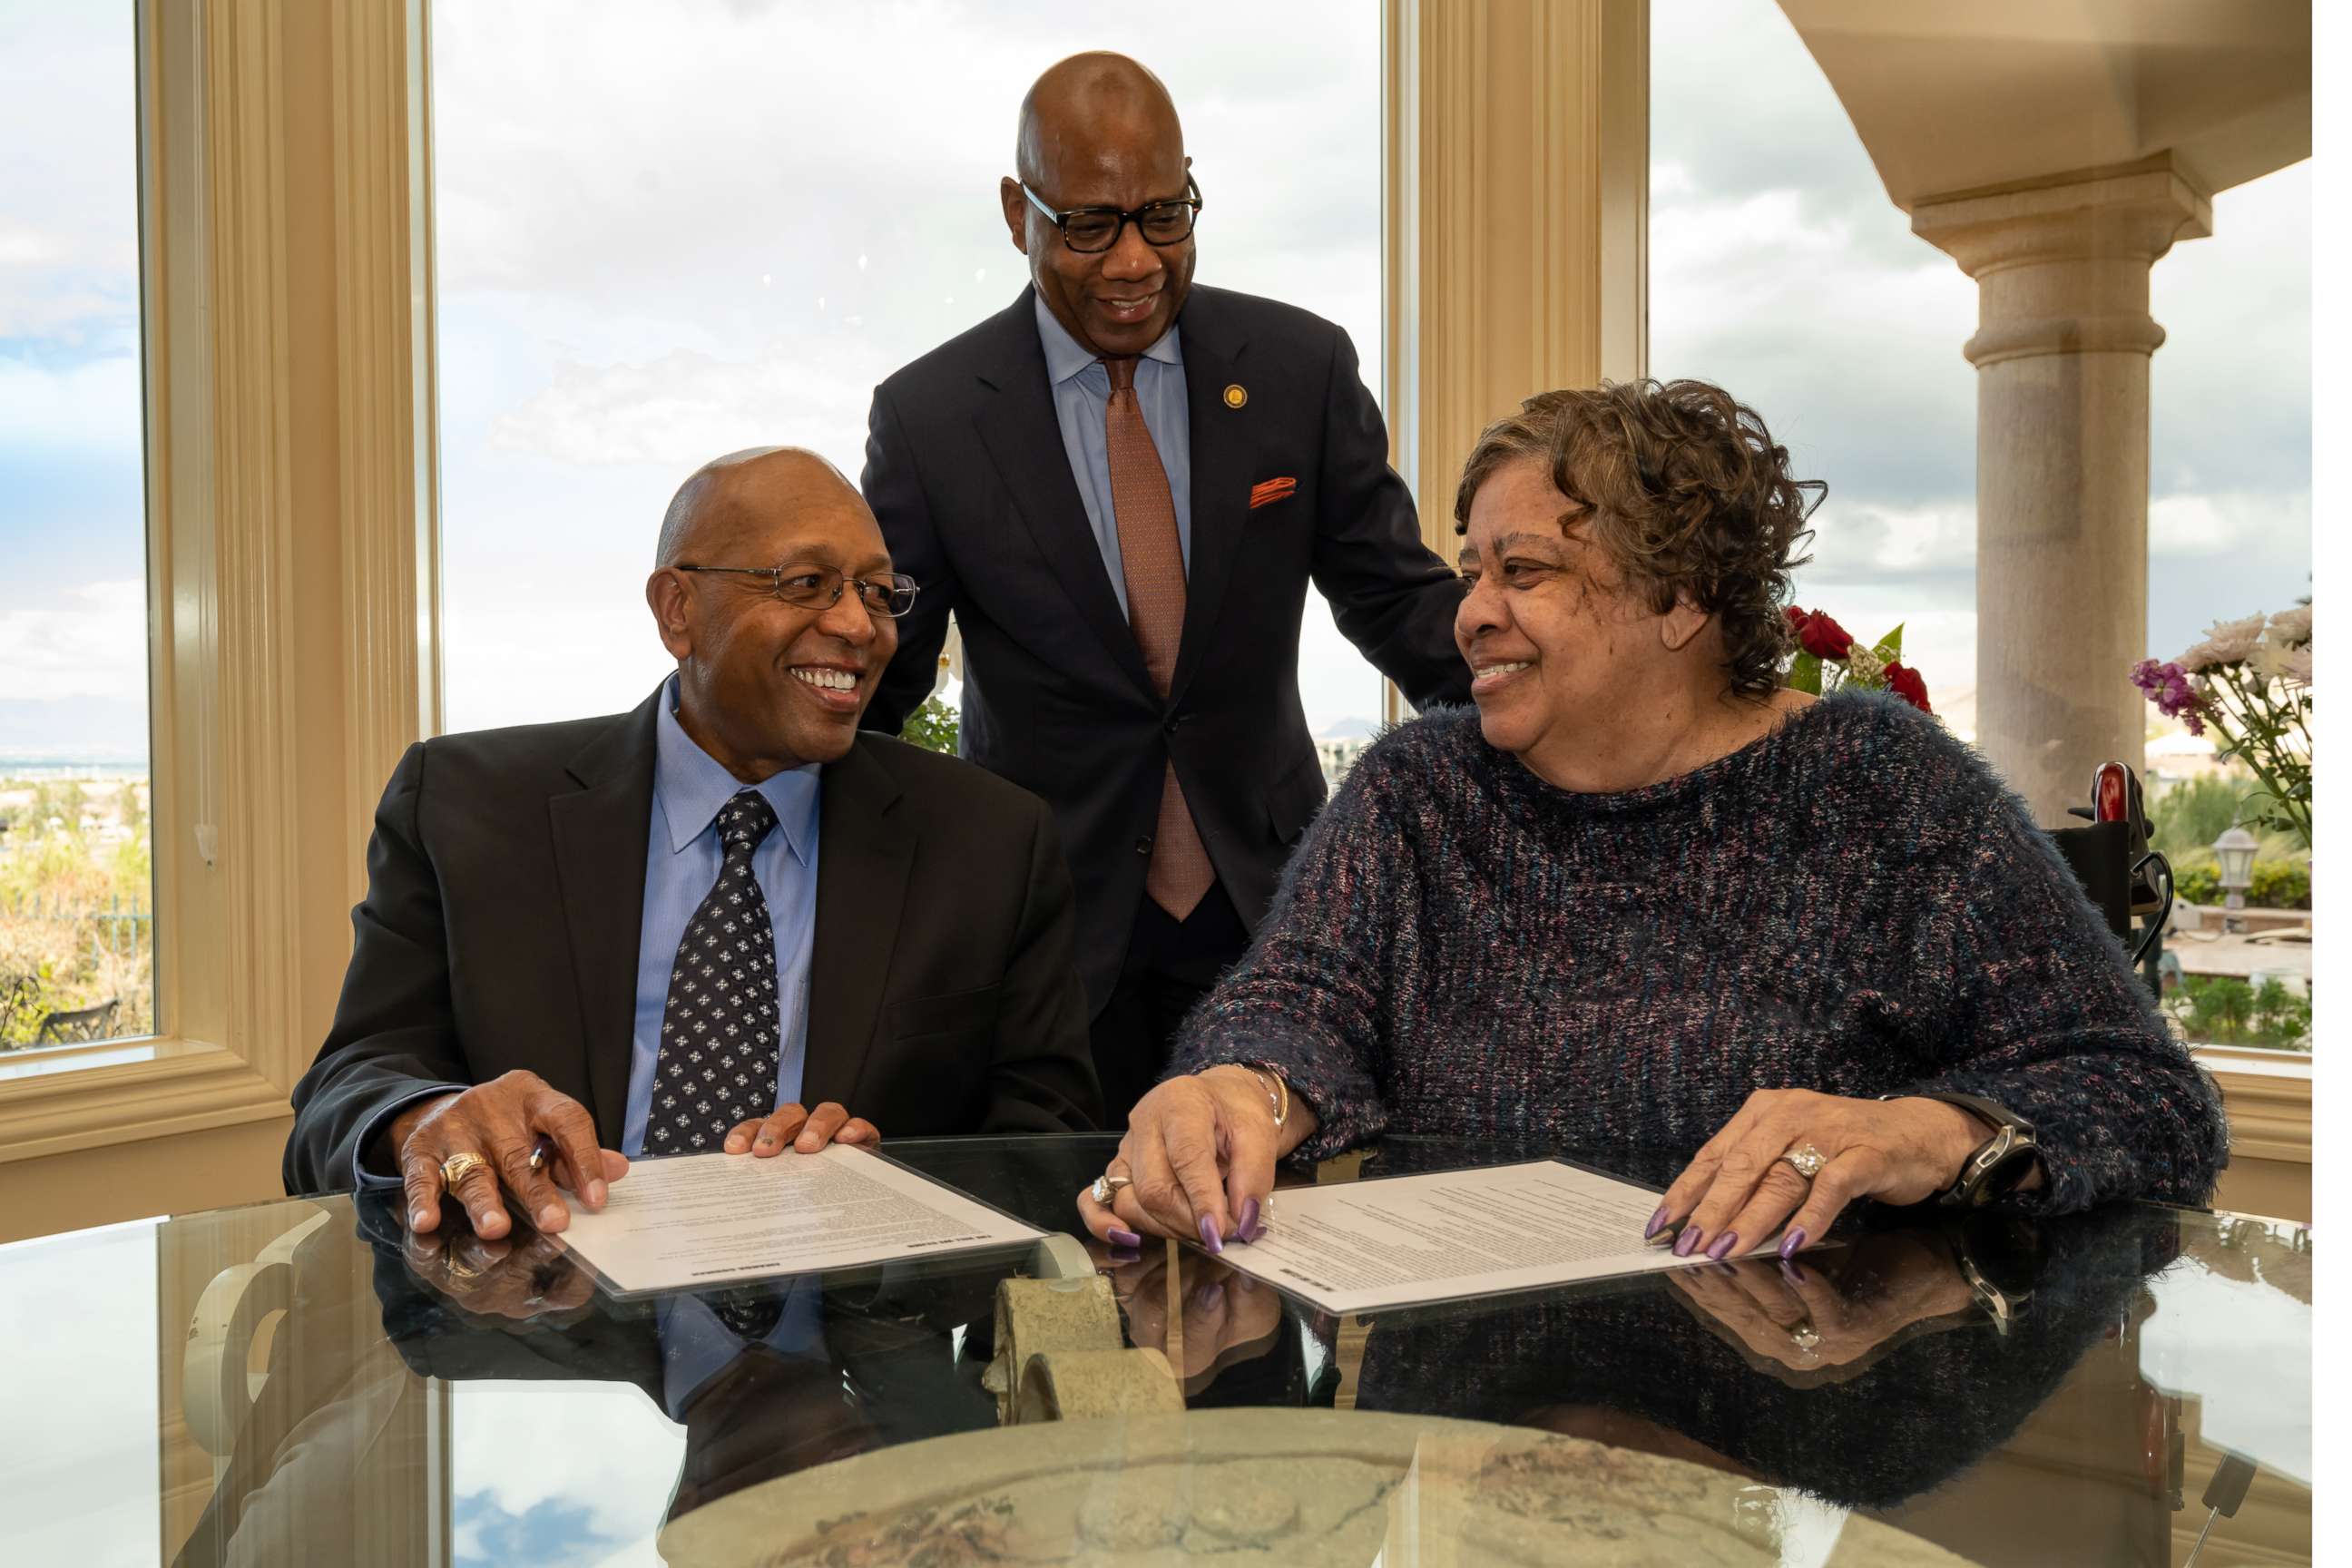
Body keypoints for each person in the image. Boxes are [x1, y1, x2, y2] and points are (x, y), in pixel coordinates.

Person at [1076, 379, 2228, 1258]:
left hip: (1774, 1422)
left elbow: (2147, 1096)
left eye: (1520, 571)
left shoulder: (1879, 790)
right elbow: (1299, 1005)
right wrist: (1239, 1088)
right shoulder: (1416, 795)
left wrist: (1928, 1130)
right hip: (1476, 1457)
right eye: (1469, 571)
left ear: (1680, 600)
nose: (1469, 615)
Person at [860, 53, 1473, 1122]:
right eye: (1091, 225)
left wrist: (1558, 729)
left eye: (1164, 214)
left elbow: (1397, 604)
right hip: (1049, 932)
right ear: (1019, 213)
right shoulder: (931, 419)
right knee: (1063, 1255)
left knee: (1276, 1244)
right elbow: (883, 686)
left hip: (1272, 911)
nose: (1135, 260)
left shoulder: (1299, 366)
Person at [285, 447, 1101, 1238]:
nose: (859, 625)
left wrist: (894, 1188)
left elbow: (1048, 1137)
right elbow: (344, 1091)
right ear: (679, 610)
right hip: (535, 1333)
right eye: (808, 583)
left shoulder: (989, 840)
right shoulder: (466, 805)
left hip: (852, 1342)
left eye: (879, 594)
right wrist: (429, 1118)